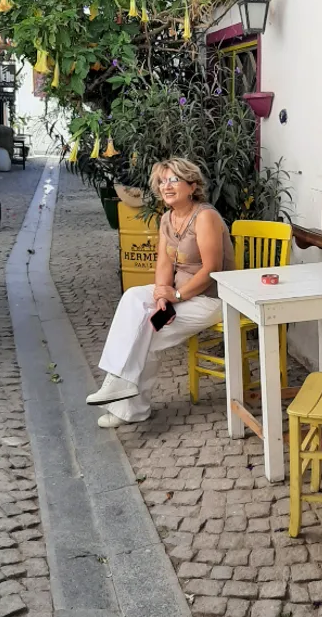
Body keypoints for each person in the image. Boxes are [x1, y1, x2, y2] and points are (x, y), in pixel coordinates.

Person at [87, 158, 236, 427]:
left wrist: (175, 298)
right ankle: (118, 386)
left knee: (148, 331)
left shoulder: (205, 217)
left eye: (174, 180)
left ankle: (128, 402)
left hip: (211, 298)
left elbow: (211, 270)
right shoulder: (167, 218)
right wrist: (159, 297)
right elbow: (163, 265)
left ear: (192, 186)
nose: (166, 186)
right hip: (177, 292)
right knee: (133, 297)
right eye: (162, 181)